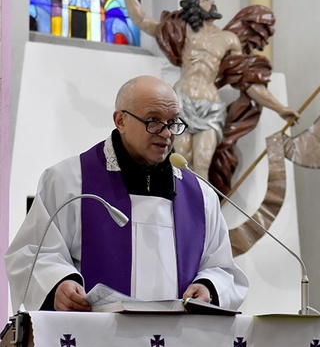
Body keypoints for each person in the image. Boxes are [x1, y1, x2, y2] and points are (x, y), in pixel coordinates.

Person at [5, 75, 249, 312]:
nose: (166, 134)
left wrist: (207, 287)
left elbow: (222, 269)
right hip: (93, 344)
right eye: (153, 120)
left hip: (177, 345)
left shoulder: (201, 196)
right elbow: (31, 254)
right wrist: (58, 284)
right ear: (120, 120)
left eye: (173, 122)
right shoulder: (69, 181)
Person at [114, 0, 298, 189]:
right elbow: (142, 20)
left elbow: (247, 81)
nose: (212, 1)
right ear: (196, 5)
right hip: (181, 101)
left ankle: (202, 217)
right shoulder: (183, 30)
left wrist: (280, 108)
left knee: (202, 163)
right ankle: (176, 213)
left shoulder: (229, 40)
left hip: (210, 106)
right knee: (179, 161)